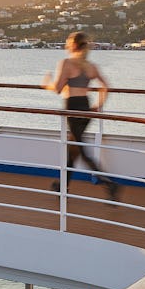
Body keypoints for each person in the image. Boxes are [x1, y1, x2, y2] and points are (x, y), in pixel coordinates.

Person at [43, 32, 120, 200]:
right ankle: (61, 186)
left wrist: (46, 83)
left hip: (72, 107)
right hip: (85, 107)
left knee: (81, 150)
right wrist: (98, 106)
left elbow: (57, 89)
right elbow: (106, 86)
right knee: (73, 148)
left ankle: (109, 183)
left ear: (73, 45)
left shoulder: (66, 63)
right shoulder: (91, 66)